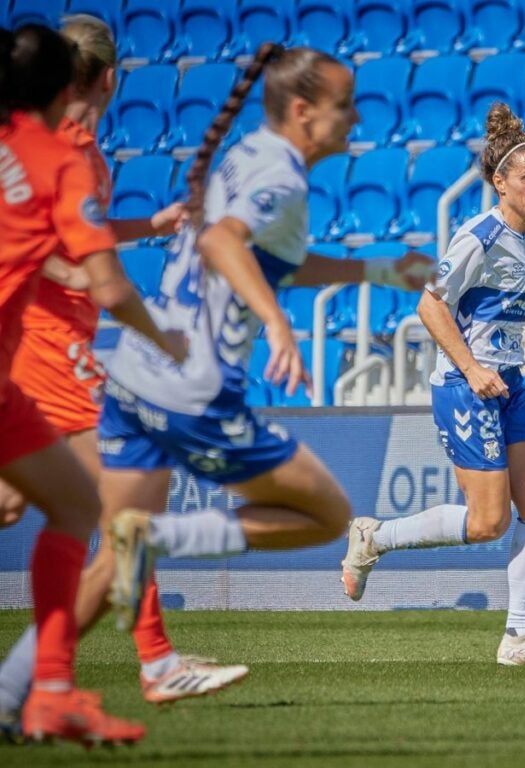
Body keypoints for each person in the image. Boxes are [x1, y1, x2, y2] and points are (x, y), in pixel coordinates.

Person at [102, 43, 433, 633]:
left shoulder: (246, 154)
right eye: (345, 103)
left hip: (135, 374)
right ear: (303, 111)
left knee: (108, 559)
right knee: (327, 514)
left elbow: (277, 263)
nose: (357, 116)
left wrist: (381, 270)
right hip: (194, 388)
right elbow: (220, 242)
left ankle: (37, 677)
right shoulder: (283, 177)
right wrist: (278, 323)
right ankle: (160, 538)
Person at [0, 17, 246, 736]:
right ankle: (128, 665)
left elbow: (54, 234)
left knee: (44, 504)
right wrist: (159, 334)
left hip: (36, 344)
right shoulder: (70, 151)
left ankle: (112, 669)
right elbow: (88, 270)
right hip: (49, 347)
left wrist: (146, 227)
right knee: (127, 507)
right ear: (111, 77)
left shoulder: (31, 143)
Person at [340, 102, 525, 667]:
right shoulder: (478, 237)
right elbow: (430, 305)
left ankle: (518, 639)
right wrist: (472, 368)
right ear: (500, 182)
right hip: (464, 386)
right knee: (488, 521)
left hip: (509, 384)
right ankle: (374, 537)